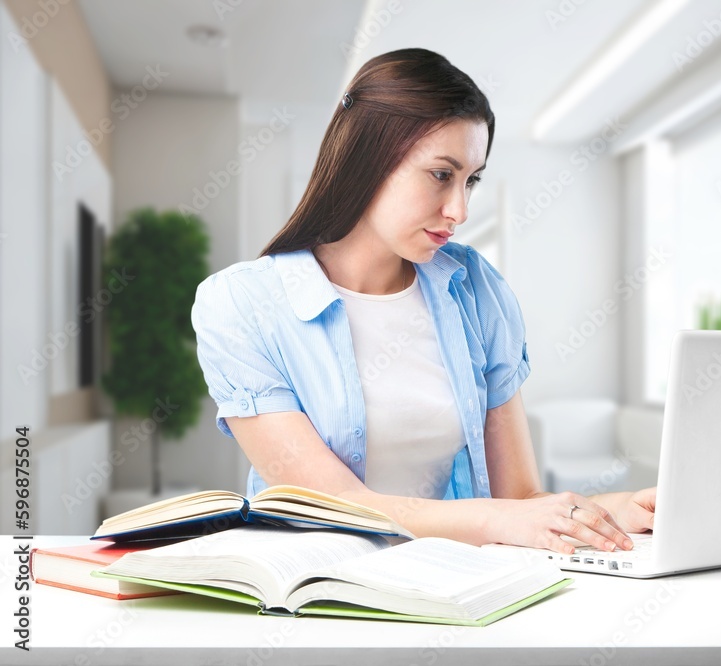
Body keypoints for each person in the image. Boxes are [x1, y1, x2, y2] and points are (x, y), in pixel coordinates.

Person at [191, 48, 654, 555]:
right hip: (318, 593)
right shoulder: (238, 306)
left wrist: (614, 513)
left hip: (453, 586)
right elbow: (335, 504)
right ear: (367, 159)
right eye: (441, 174)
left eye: (471, 180)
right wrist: (502, 518)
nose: (459, 210)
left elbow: (518, 498)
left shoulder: (475, 288)